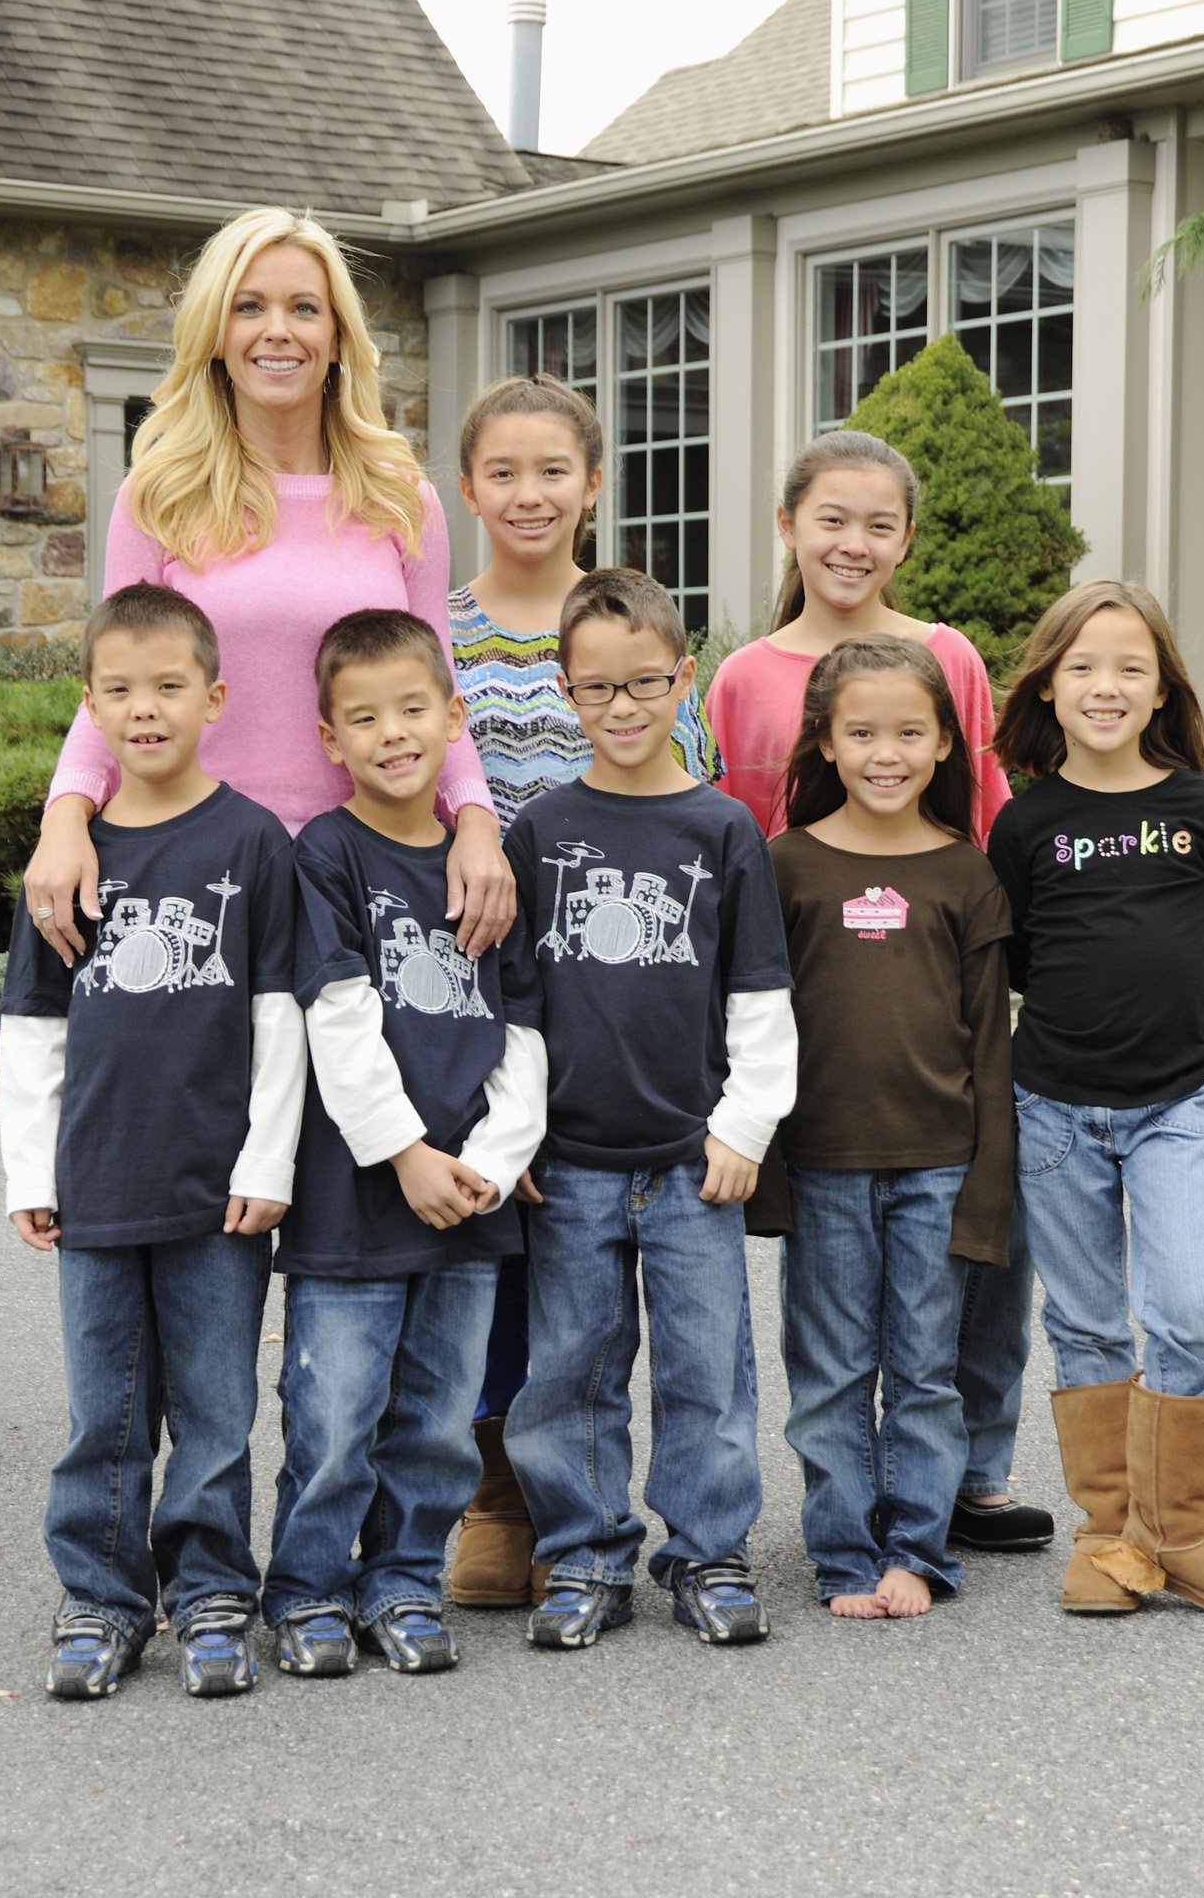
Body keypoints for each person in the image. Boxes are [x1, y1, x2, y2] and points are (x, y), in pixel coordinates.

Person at [20, 206, 517, 996]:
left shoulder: (401, 500)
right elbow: (116, 685)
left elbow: (435, 686)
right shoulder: (159, 497)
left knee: (364, 1114)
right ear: (217, 335)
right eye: (249, 307)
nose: (276, 331)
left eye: (304, 308)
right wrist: (63, 820)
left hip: (363, 868)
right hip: (200, 865)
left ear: (338, 340)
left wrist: (477, 828)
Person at [705, 428, 1051, 1559]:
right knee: (843, 1306)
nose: (853, 543)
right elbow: (739, 839)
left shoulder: (944, 653)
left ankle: (964, 1478)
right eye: (832, 519)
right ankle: (860, 1516)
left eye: (879, 523)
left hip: (936, 963)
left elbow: (983, 804)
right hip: (811, 991)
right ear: (789, 524)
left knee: (969, 1267)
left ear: (906, 536)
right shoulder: (746, 675)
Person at [438, 373, 719, 1610]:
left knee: (613, 1247)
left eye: (554, 469)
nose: (530, 493)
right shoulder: (441, 632)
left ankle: (621, 1502)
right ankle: (501, 1490)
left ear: (594, 483)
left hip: (627, 999)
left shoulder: (638, 639)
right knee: (501, 1237)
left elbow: (695, 807)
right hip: (474, 981)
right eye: (503, 471)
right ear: (469, 489)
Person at [0, 583, 307, 1700]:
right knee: (105, 1412)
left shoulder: (254, 841)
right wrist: (29, 1172)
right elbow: (32, 1031)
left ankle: (216, 1588)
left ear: (214, 697)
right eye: (120, 690)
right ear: (90, 704)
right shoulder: (64, 865)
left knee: (218, 1406)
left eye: (169, 686)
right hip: (96, 1184)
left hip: (220, 1190)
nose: (145, 708)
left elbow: (283, 1020)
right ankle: (102, 1596)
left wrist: (269, 1161)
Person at [501, 568, 797, 1651]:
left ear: (685, 679)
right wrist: (514, 1134)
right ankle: (583, 1555)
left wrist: (744, 1127)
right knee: (570, 1365)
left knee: (706, 1365)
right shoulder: (537, 833)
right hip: (570, 1158)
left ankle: (709, 1551)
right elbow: (517, 1006)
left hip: (690, 1156)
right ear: (565, 691)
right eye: (596, 688)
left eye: (643, 683)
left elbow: (760, 995)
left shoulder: (721, 830)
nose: (621, 707)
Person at [986, 582, 1204, 1621]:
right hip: (1056, 1111)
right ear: (1049, 686)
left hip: (1174, 1106)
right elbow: (1019, 956)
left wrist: (1193, 1041)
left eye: (1129, 666)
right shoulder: (1028, 823)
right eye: (1082, 665)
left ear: (1162, 686)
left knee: (1193, 1308)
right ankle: (1111, 1535)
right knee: (1085, 1324)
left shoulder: (1202, 807)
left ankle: (1183, 1529)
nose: (1106, 685)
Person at [260, 609, 548, 1680]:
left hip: (470, 1201)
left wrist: (498, 1154)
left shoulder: (489, 867)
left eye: (413, 709)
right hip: (357, 1199)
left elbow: (523, 1025)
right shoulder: (324, 855)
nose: (393, 733)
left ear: (453, 718)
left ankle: (403, 1580)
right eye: (365, 717)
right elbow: (335, 1013)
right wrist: (404, 1152)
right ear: (329, 738)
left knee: (434, 1417)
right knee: (335, 1408)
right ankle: (307, 1586)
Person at [757, 634, 1014, 1619]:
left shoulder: (964, 873)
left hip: (940, 1164)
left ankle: (918, 1546)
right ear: (824, 739)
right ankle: (843, 1553)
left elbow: (991, 1042)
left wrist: (991, 1186)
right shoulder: (784, 866)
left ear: (947, 743)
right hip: (822, 1162)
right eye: (861, 731)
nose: (885, 752)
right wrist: (770, 1169)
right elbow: (756, 1028)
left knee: (923, 1370)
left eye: (909, 731)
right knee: (828, 1372)